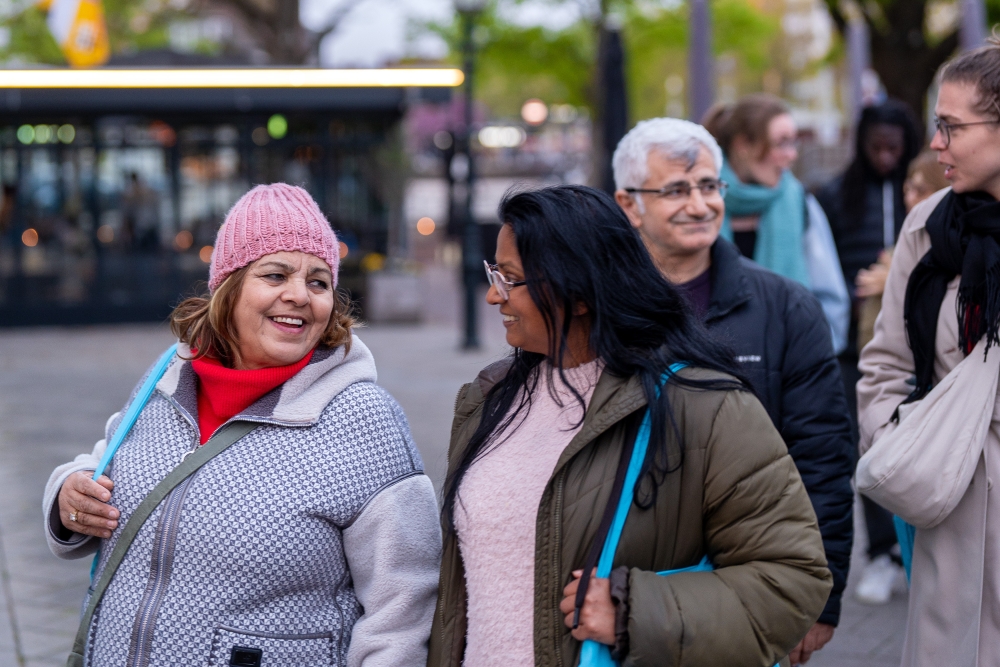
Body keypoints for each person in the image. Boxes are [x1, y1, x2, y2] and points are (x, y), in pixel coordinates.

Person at [428, 185, 832, 667]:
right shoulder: (488, 400)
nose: (494, 295)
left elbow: (793, 580)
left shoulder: (705, 407)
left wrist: (634, 613)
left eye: (511, 279)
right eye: (495, 274)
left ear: (577, 292)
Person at [43, 183, 441, 666]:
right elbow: (102, 460)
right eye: (275, 275)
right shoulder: (165, 381)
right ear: (227, 288)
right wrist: (68, 494)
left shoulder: (364, 421)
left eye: (319, 282)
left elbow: (402, 614)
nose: (299, 295)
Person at [612, 117, 854, 664]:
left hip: (746, 580)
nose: (699, 205)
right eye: (675, 189)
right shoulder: (598, 312)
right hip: (621, 582)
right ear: (629, 205)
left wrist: (822, 598)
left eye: (708, 186)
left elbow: (822, 456)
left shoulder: (786, 307)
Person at [858, 40, 1000, 665]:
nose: (935, 142)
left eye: (951, 127)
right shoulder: (928, 226)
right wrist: (902, 444)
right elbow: (884, 364)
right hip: (952, 514)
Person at [815, 100, 922, 606]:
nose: (884, 158)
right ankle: (882, 554)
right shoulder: (837, 195)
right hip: (856, 346)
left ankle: (918, 551)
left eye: (893, 149)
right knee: (871, 446)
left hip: (918, 339)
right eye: (875, 147)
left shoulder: (925, 192)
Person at [703, 94, 851, 355]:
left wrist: (812, 359)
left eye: (794, 143)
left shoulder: (801, 204)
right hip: (713, 364)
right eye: (781, 144)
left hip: (791, 364)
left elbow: (830, 299)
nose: (792, 155)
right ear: (743, 145)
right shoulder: (701, 204)